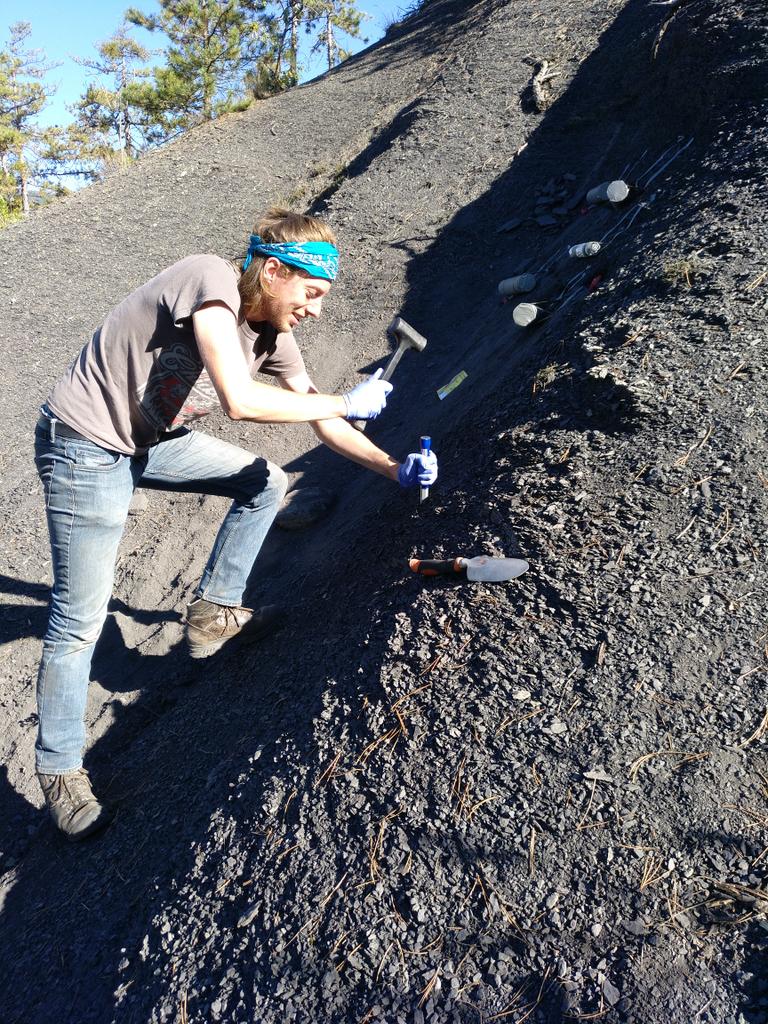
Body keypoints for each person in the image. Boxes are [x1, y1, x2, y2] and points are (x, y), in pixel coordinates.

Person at [33, 207, 438, 841]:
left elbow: (320, 420)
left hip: (145, 440)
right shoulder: (208, 280)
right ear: (274, 271)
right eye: (311, 293)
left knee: (264, 482)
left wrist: (395, 469)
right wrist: (345, 399)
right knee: (78, 615)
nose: (316, 309)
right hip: (83, 443)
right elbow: (240, 400)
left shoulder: (275, 337)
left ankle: (213, 612)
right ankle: (58, 770)